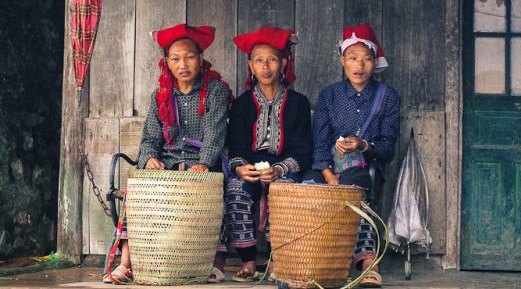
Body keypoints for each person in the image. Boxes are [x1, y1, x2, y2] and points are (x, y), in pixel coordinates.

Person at [103, 24, 232, 284]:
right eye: (175, 58)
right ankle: (126, 264)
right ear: (167, 63)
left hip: (201, 162)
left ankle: (213, 262)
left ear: (201, 59)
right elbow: (150, 137)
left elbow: (215, 133)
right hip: (169, 163)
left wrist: (205, 163)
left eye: (189, 56)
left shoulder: (214, 91)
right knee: (137, 191)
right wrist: (149, 158)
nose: (183, 64)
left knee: (210, 192)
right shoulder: (160, 95)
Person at [304, 24, 400, 288]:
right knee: (308, 187)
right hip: (326, 167)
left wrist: (363, 145)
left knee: (357, 188)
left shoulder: (387, 97)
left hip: (364, 167)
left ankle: (368, 261)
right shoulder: (330, 95)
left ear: (375, 62)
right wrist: (326, 172)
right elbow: (319, 140)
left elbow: (388, 148)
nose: (360, 65)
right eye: (353, 58)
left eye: (367, 59)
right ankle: (313, 260)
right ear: (342, 61)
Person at [226, 26, 313, 282]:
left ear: (284, 63)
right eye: (259, 60)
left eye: (273, 59)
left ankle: (278, 259)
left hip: (284, 167)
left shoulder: (299, 104)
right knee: (235, 188)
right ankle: (249, 260)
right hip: (251, 166)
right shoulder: (242, 105)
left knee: (284, 191)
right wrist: (241, 167)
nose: (266, 67)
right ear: (250, 65)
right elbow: (237, 145)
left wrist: (279, 170)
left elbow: (303, 149)